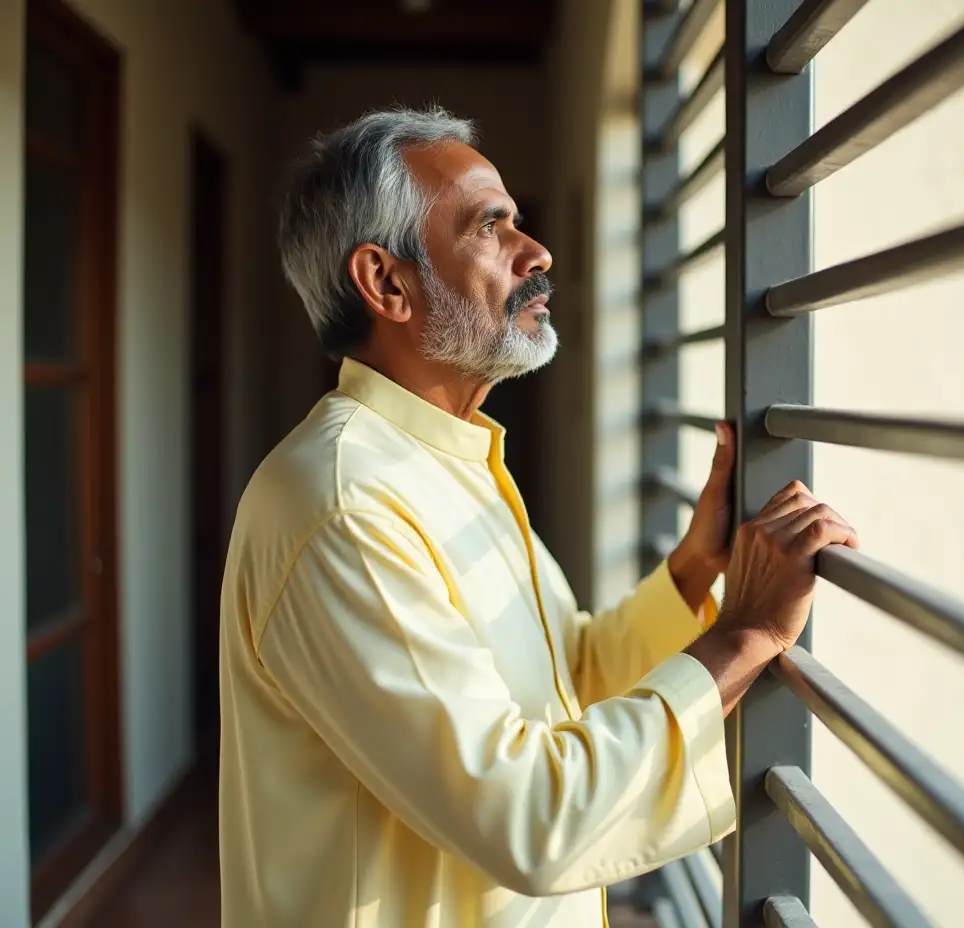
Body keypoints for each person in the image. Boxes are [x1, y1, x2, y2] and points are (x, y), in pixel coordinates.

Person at [218, 106, 858, 928]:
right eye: (491, 227)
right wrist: (744, 636)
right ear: (386, 283)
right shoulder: (343, 503)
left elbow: (571, 678)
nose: (539, 253)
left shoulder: (446, 462)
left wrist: (698, 568)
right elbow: (531, 818)